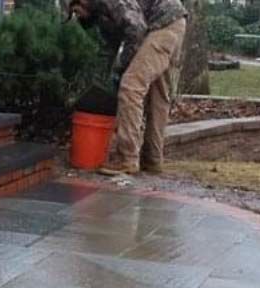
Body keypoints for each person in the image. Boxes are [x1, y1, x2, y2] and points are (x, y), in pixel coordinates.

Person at [69, 0, 188, 175]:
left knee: (131, 86)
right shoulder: (102, 14)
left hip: (162, 25)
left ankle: (127, 159)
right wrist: (101, 79)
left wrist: (122, 66)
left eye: (76, 11)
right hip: (170, 22)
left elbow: (136, 29)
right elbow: (110, 48)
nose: (77, 17)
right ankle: (152, 161)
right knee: (157, 96)